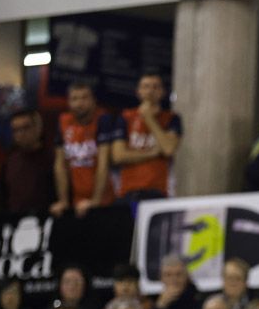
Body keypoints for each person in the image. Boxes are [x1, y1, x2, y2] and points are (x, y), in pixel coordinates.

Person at [108, 70, 181, 200]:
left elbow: (168, 149)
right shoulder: (125, 117)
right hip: (128, 192)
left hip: (160, 192)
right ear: (138, 91)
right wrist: (152, 153)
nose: (150, 91)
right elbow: (118, 156)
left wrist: (149, 119)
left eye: (155, 87)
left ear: (162, 92)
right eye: (146, 86)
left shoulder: (171, 118)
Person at [51, 81, 114, 217]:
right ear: (68, 102)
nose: (79, 103)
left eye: (84, 98)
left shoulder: (103, 120)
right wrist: (63, 201)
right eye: (74, 99)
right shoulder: (63, 121)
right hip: (77, 202)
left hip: (106, 201)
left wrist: (95, 202)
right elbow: (60, 165)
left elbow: (103, 164)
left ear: (93, 101)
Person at [1, 109, 56, 213]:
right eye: (16, 130)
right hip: (15, 220)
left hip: (47, 218)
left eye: (26, 128)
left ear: (38, 128)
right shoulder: (9, 160)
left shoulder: (53, 158)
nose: (21, 134)